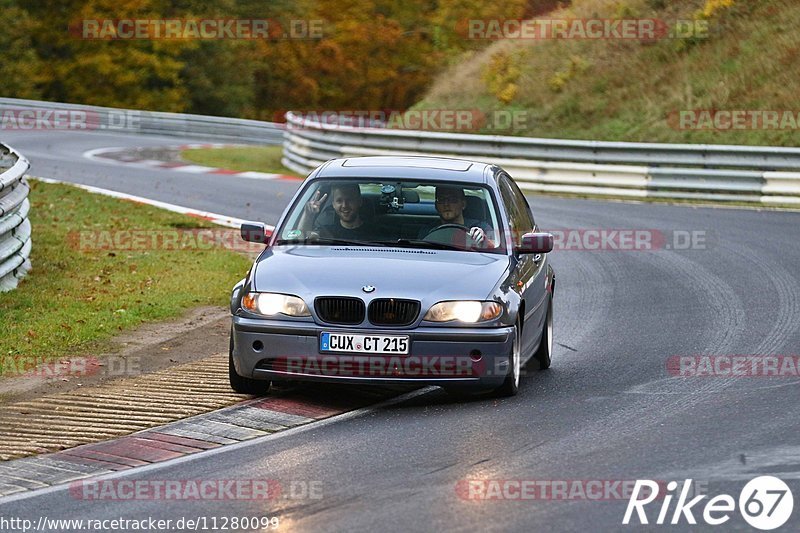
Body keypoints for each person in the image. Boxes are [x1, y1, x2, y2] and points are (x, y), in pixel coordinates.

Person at [297, 183, 379, 240]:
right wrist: (308, 214)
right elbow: (301, 238)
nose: (344, 205)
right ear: (333, 204)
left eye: (349, 200)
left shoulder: (377, 232)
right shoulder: (325, 233)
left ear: (359, 202)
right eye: (339, 201)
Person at [421, 185, 494, 247]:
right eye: (441, 200)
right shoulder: (428, 231)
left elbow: (496, 248)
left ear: (463, 204)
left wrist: (484, 240)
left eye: (452, 199)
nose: (446, 204)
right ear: (436, 206)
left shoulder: (482, 227)